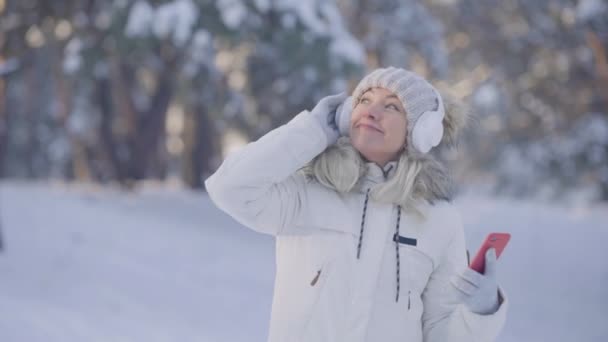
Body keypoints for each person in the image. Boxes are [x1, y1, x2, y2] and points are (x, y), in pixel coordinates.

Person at [205, 67, 508, 342]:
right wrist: (312, 130)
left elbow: (440, 333)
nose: (372, 111)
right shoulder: (308, 192)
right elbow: (229, 189)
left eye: (391, 106)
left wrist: (481, 314)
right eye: (364, 100)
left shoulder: (439, 219)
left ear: (418, 132)